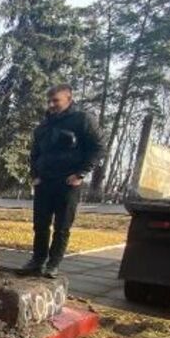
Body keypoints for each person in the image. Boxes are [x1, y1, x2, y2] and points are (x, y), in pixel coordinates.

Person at [22, 84, 103, 279]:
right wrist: (35, 175)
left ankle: (53, 264)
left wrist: (81, 174)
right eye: (49, 101)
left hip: (68, 183)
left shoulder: (82, 120)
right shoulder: (43, 126)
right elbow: (35, 154)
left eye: (55, 100)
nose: (51, 105)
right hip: (44, 182)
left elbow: (98, 148)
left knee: (62, 226)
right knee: (40, 225)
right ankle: (37, 260)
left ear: (69, 99)